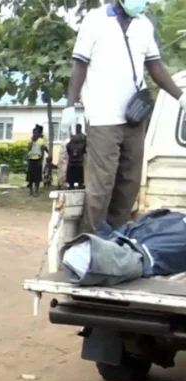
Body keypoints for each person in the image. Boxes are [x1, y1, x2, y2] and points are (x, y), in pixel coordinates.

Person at [61, 0, 186, 232]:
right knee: (102, 185)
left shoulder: (144, 25)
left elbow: (155, 67)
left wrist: (180, 97)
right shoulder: (95, 20)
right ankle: (87, 242)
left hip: (133, 116)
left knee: (129, 183)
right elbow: (80, 64)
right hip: (103, 117)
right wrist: (70, 105)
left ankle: (114, 238)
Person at [26, 125, 47, 196]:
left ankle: (36, 190)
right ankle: (30, 190)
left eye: (36, 133)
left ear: (39, 133)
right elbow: (28, 149)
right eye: (34, 133)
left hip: (38, 160)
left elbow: (42, 151)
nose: (35, 134)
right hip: (31, 159)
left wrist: (41, 161)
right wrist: (32, 142)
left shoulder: (41, 141)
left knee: (37, 176)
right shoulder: (30, 140)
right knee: (30, 176)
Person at [66, 124, 87, 189]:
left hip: (72, 160)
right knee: (79, 173)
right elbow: (85, 148)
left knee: (72, 173)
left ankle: (72, 184)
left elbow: (68, 147)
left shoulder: (81, 136)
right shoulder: (83, 137)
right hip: (79, 160)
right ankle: (79, 184)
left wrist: (70, 153)